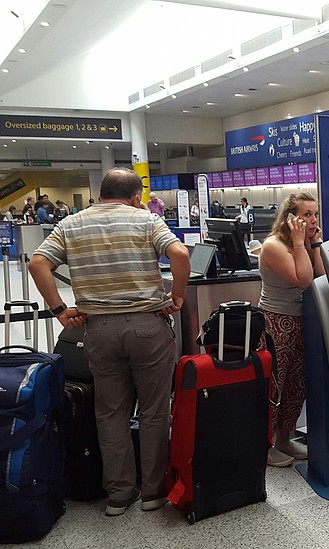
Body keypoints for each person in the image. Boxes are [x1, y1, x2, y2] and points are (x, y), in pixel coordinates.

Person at [29, 167, 191, 517]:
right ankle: (152, 493)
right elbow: (179, 255)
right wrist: (176, 296)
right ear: (136, 197)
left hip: (98, 331)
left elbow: (38, 262)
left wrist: (59, 309)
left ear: (101, 193)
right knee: (153, 411)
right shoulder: (145, 220)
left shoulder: (71, 224)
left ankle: (118, 496)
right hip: (149, 326)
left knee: (110, 413)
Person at [258, 192, 324, 467]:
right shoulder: (274, 246)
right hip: (276, 321)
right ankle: (265, 444)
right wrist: (300, 243)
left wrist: (315, 244)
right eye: (306, 215)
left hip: (300, 321)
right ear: (290, 218)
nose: (312, 220)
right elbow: (303, 279)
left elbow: (320, 278)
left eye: (315, 214)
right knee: (275, 384)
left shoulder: (304, 244)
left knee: (297, 385)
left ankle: (284, 439)